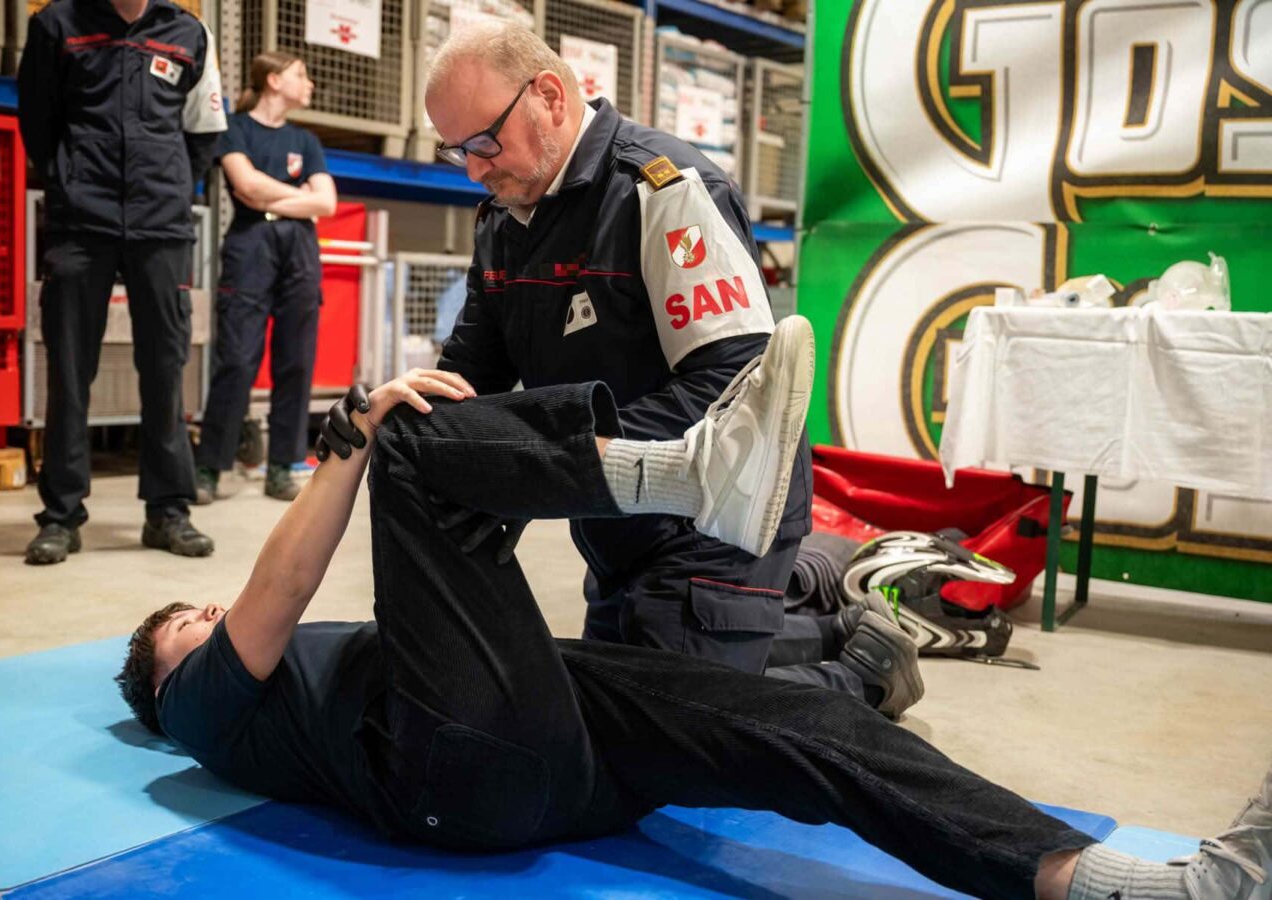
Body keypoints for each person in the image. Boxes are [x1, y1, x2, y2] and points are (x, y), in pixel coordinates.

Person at [118, 318, 1270, 900]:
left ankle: (1117, 886)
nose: (208, 614)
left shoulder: (275, 693)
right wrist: (349, 442)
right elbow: (281, 586)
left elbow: (438, 602)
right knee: (406, 437)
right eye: (187, 622)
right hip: (451, 774)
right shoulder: (205, 719)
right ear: (166, 682)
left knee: (809, 735)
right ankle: (676, 474)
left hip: (547, 737)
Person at [320, 20, 917, 715]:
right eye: (460, 152)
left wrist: (549, 462)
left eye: (485, 142)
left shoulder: (663, 191)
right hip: (613, 517)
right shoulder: (505, 223)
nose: (476, 169)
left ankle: (864, 676)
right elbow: (467, 381)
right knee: (604, 703)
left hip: (714, 517)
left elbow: (732, 387)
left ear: (548, 94)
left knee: (671, 728)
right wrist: (386, 416)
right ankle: (821, 628)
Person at [18, 0, 227, 564]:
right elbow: (37, 121)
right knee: (69, 367)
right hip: (80, 223)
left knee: (165, 365)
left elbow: (203, 130)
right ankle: (61, 516)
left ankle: (168, 511)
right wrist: (70, 180)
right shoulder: (56, 25)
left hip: (161, 223)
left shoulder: (188, 32)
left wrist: (173, 189)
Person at [194, 52, 338, 505]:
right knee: (236, 359)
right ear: (274, 80)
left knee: (295, 361)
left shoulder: (306, 140)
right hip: (250, 247)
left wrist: (272, 196)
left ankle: (282, 466)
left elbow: (327, 203)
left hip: (299, 250)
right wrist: (299, 197)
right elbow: (246, 187)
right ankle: (209, 468)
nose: (309, 83)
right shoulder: (235, 128)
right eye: (301, 75)